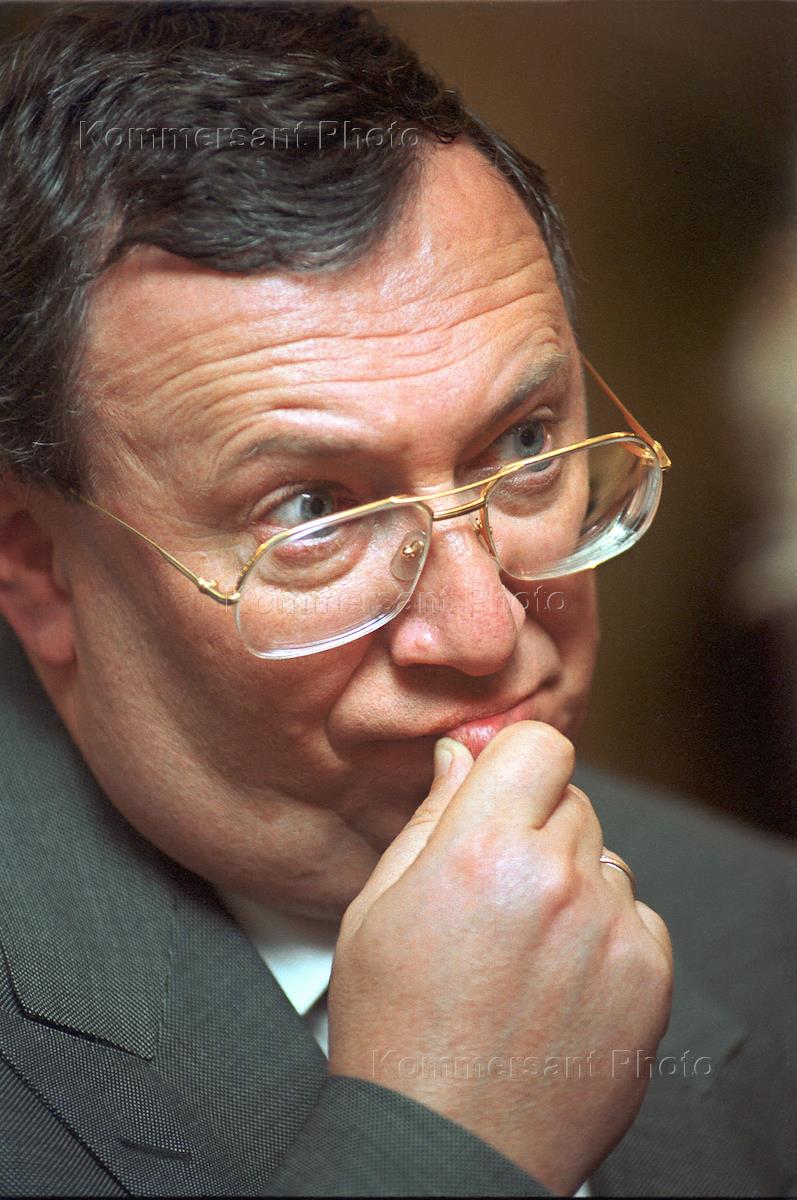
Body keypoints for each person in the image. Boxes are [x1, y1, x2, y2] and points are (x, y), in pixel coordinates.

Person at [0, 4, 793, 1196]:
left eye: (523, 444)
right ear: (37, 566)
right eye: (311, 512)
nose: (485, 632)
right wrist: (441, 1142)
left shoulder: (768, 932)